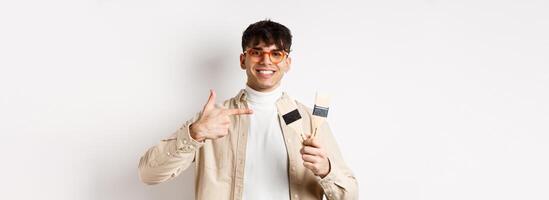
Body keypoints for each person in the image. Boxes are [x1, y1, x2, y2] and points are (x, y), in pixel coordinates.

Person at [138, 19, 358, 200]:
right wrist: (193, 134)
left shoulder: (310, 121)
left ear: (287, 62)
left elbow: (350, 195)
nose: (266, 60)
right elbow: (149, 174)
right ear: (243, 60)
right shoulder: (211, 120)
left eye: (276, 53)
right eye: (256, 52)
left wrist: (327, 170)